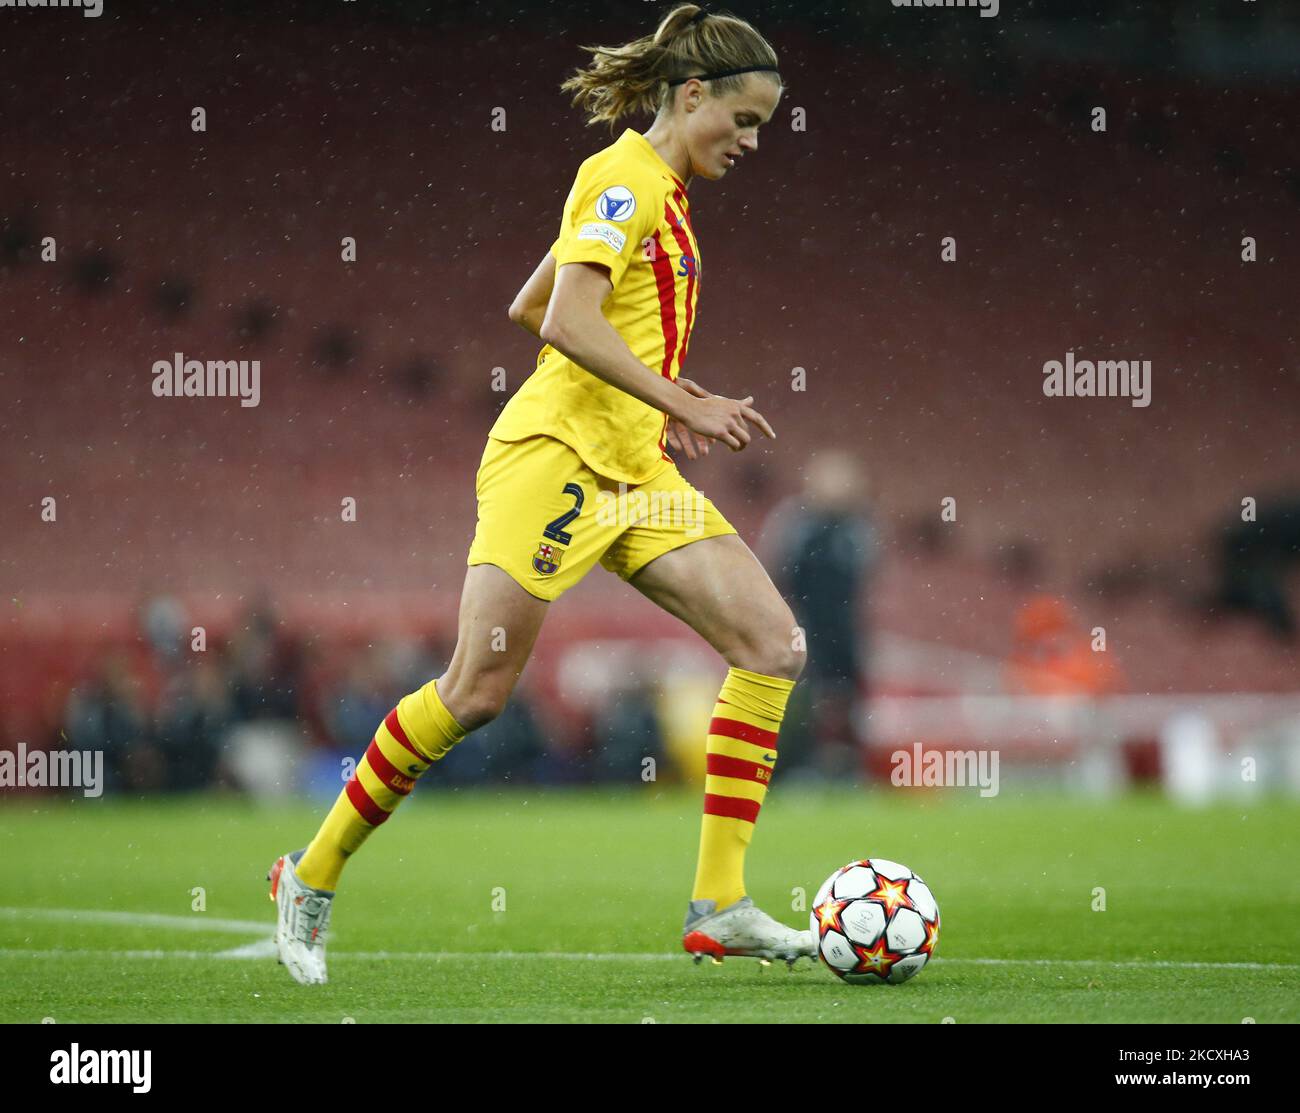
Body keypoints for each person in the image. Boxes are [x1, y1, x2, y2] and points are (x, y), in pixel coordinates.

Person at [268, 3, 811, 984]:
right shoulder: (621, 179)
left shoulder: (665, 193)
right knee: (474, 694)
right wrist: (679, 393)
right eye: (741, 119)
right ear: (690, 95)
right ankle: (308, 874)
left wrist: (655, 403)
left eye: (763, 125)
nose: (751, 141)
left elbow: (529, 302)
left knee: (772, 646)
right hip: (553, 458)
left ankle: (720, 905)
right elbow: (564, 317)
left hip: (635, 467)